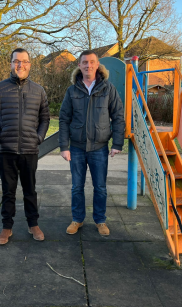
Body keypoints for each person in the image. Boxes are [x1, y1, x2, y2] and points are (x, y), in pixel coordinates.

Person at [0, 48, 50, 245]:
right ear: (11, 64)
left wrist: (38, 137)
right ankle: (7, 227)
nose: (20, 65)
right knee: (8, 191)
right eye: (16, 61)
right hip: (6, 151)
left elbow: (45, 118)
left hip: (30, 150)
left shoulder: (38, 90)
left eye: (24, 61)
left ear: (30, 64)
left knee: (30, 190)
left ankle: (33, 224)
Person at [59, 50, 125, 236]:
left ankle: (100, 220)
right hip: (77, 148)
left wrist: (117, 143)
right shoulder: (72, 91)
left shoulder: (108, 89)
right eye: (84, 62)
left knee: (100, 187)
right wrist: (64, 147)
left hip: (99, 148)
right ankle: (77, 219)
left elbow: (118, 116)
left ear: (98, 65)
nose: (88, 65)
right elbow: (64, 119)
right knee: (77, 187)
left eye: (92, 62)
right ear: (79, 65)